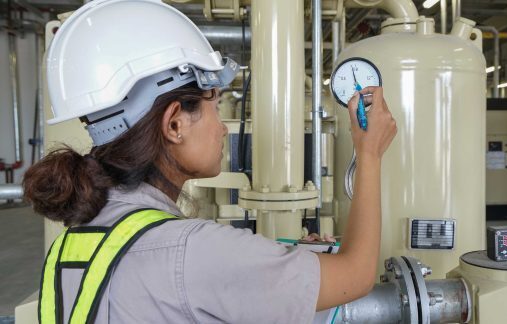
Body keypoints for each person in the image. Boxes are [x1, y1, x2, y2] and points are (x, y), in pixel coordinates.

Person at [23, 0, 397, 323]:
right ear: (174, 124)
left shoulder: (72, 245)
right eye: (214, 106)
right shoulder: (192, 250)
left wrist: (279, 267)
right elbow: (357, 275)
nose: (223, 129)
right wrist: (368, 153)